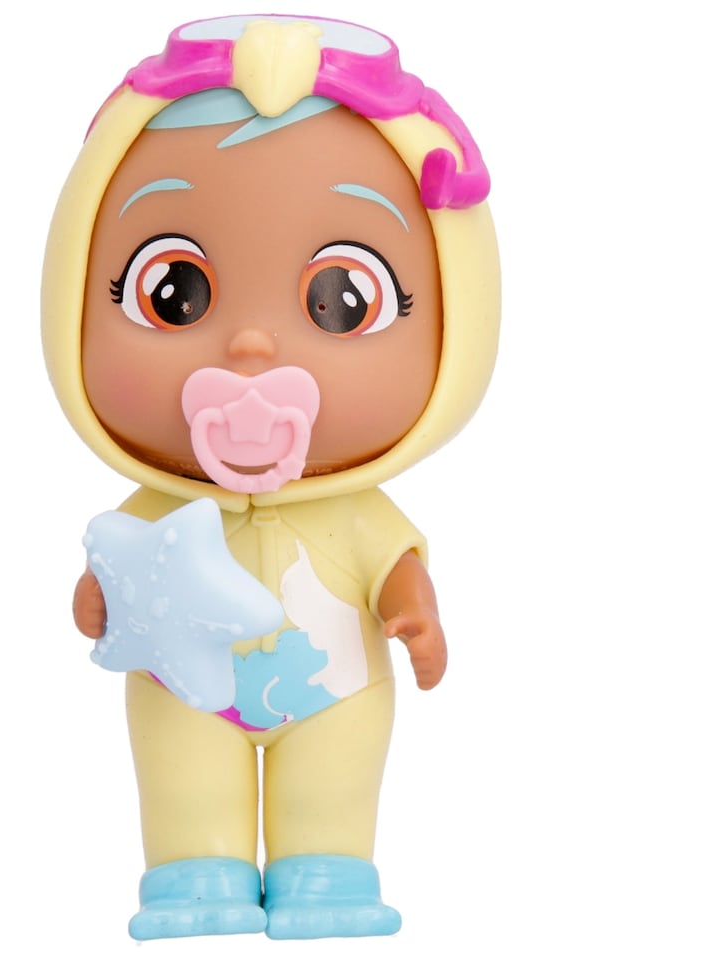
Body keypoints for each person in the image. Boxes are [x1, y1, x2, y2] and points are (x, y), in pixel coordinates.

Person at [42, 14, 500, 940]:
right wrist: (99, 592)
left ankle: (327, 874)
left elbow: (391, 562)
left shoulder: (357, 512)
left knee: (334, 780)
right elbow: (119, 566)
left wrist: (412, 606)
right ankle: (193, 875)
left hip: (337, 689)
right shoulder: (161, 501)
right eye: (175, 296)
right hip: (183, 694)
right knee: (183, 780)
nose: (251, 345)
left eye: (341, 303)